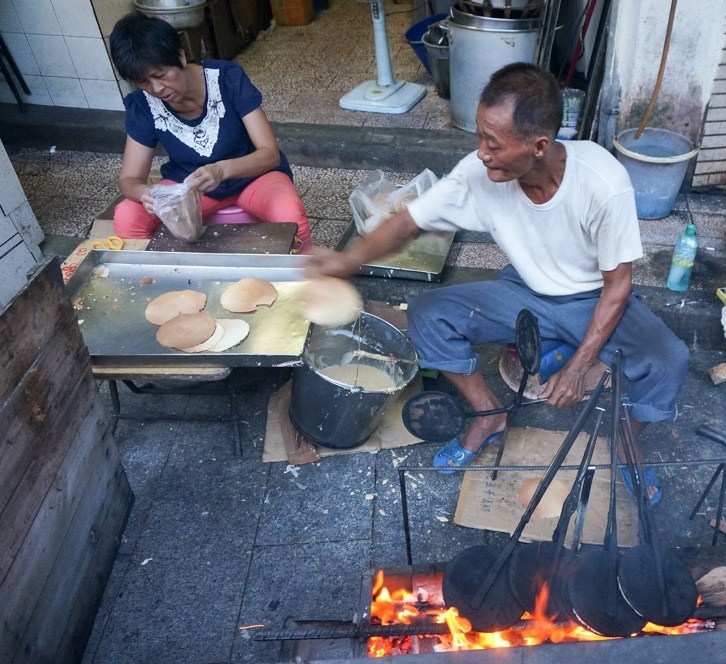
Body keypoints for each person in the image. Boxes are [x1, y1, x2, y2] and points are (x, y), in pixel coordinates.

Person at [307, 63, 688, 502]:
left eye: (494, 142)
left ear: (539, 146)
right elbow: (409, 221)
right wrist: (347, 260)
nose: (481, 152)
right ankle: (488, 416)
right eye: (480, 137)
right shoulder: (477, 173)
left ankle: (626, 440)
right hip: (524, 293)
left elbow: (618, 285)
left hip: (594, 297)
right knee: (430, 315)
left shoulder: (603, 182)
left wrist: (579, 366)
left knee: (670, 359)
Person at [108, 13, 312, 252]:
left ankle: (304, 280)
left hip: (253, 179)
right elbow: (129, 179)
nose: (156, 88)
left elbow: (269, 154)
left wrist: (221, 170)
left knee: (290, 215)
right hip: (190, 190)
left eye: (161, 76)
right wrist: (145, 192)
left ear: (181, 57)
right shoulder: (142, 105)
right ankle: (152, 280)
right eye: (144, 82)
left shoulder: (227, 79)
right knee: (127, 216)